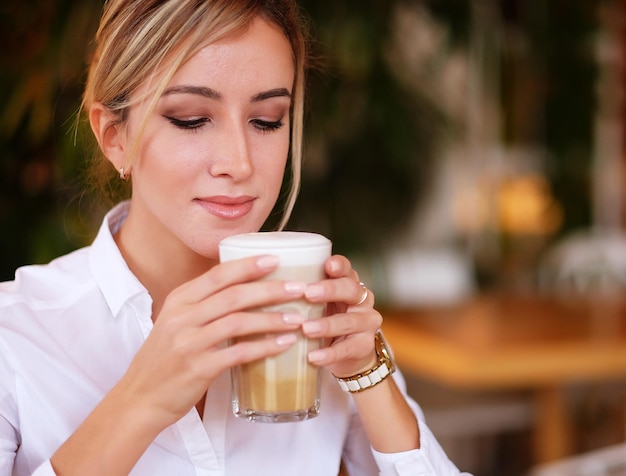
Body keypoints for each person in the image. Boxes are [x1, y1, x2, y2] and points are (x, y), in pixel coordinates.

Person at [0, 1, 470, 475]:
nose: (239, 163)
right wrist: (140, 401)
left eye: (266, 120)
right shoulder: (16, 336)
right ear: (114, 136)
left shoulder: (314, 321)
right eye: (190, 119)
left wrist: (368, 375)